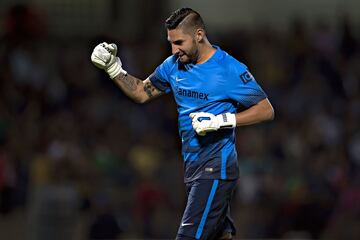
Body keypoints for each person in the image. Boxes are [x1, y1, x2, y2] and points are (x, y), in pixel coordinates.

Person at [91, 7, 274, 240]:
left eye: (179, 42)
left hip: (216, 169)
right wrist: (113, 68)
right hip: (192, 168)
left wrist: (223, 120)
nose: (174, 50)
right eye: (170, 42)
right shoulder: (172, 65)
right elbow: (141, 92)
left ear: (199, 35)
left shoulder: (229, 69)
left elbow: (266, 110)